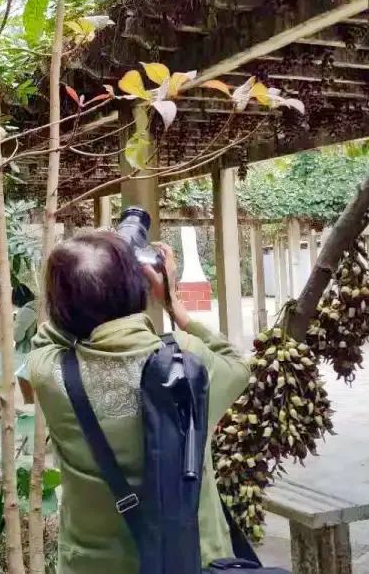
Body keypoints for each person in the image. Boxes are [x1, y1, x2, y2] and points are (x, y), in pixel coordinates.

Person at [20, 230, 250, 574]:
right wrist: (173, 302)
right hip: (192, 561)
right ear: (135, 287)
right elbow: (238, 368)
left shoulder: (49, 373)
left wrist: (79, 288)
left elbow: (47, 336)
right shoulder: (189, 361)